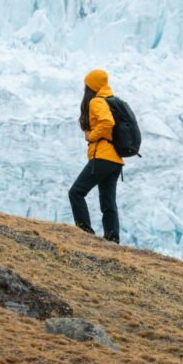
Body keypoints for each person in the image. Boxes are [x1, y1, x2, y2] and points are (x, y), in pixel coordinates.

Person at [69, 69, 123, 243]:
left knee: (76, 192)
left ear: (91, 86)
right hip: (115, 160)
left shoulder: (96, 102)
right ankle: (112, 238)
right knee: (108, 202)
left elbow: (107, 122)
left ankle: (84, 231)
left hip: (103, 157)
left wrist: (92, 136)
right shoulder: (110, 101)